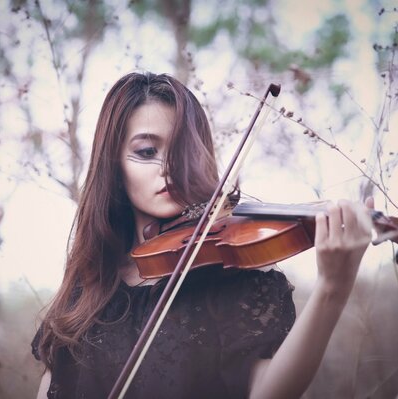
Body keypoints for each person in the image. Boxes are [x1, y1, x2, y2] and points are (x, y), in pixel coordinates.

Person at [32, 72, 373, 399]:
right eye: (147, 152)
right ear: (114, 167)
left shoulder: (237, 284)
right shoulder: (86, 292)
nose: (168, 167)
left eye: (182, 151)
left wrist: (332, 289)